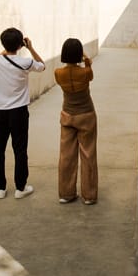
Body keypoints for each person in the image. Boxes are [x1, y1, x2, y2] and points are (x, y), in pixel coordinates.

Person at [0, 27, 45, 199]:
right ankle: (20, 188)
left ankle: (0, 188)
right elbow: (42, 66)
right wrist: (30, 48)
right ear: (20, 44)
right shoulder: (25, 63)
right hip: (18, 112)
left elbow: (1, 55)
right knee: (20, 149)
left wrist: (8, 47)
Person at [54, 38, 98, 205]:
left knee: (66, 156)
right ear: (79, 54)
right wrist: (85, 58)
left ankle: (66, 193)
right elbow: (90, 71)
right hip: (86, 114)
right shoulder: (86, 72)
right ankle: (89, 195)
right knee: (88, 154)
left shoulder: (58, 73)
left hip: (67, 115)